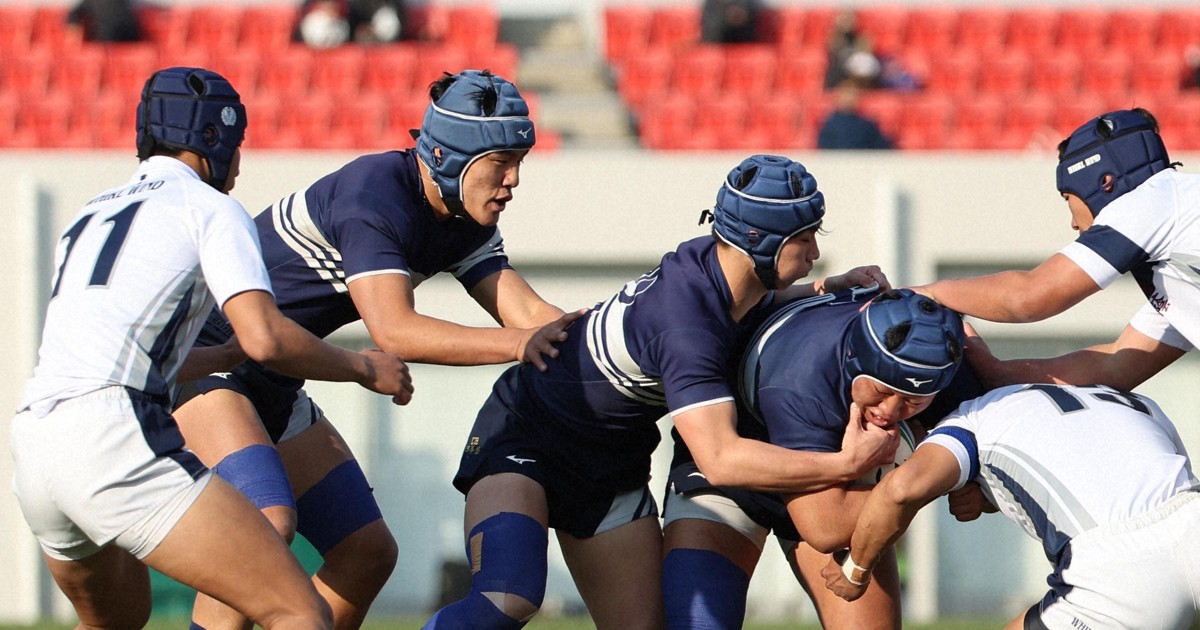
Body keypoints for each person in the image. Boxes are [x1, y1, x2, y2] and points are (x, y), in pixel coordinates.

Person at [174, 68, 579, 630]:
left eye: (518, 164)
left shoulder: (461, 216)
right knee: (263, 525)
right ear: (448, 158)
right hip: (210, 365)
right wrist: (518, 345)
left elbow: (530, 317)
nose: (512, 181)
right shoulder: (376, 193)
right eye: (499, 165)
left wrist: (610, 344)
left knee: (366, 552)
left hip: (272, 379)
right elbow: (394, 330)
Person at [8, 67, 413, 629]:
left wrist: (220, 360)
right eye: (239, 145)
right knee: (298, 612)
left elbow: (115, 350)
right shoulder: (209, 207)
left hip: (36, 444)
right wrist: (362, 366)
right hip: (113, 437)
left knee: (116, 619)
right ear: (214, 140)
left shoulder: (89, 213)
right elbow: (265, 336)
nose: (241, 163)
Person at [425, 154, 898, 629]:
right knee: (507, 598)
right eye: (804, 237)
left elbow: (753, 302)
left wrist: (822, 287)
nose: (815, 250)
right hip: (527, 435)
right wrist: (847, 464)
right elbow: (722, 459)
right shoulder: (686, 330)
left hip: (609, 464)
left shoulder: (712, 262)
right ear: (761, 242)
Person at [662, 288, 977, 629]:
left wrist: (959, 477)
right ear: (855, 358)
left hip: (844, 481)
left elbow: (988, 484)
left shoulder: (935, 361)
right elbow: (825, 527)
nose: (890, 411)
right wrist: (927, 474)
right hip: (742, 470)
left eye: (913, 401)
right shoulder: (802, 378)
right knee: (697, 623)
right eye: (882, 390)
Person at [823, 383, 1200, 628]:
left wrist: (856, 568)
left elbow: (900, 490)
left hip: (1121, 572)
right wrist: (987, 495)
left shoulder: (968, 420)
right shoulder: (1115, 396)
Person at [914, 108, 1200, 394]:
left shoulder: (1149, 200)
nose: (1073, 222)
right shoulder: (1176, 249)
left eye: (1068, 198)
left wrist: (927, 294)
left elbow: (1029, 297)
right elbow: (1117, 366)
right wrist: (996, 373)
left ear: (1105, 182)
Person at [817, 81, 895, 150]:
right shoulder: (829, 125)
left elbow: (881, 147)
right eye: (846, 94)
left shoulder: (866, 125)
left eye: (852, 94)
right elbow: (825, 150)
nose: (849, 98)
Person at [66, 0, 142, 43]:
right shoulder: (90, 2)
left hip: (125, 45)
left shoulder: (127, 3)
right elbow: (73, 18)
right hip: (101, 44)